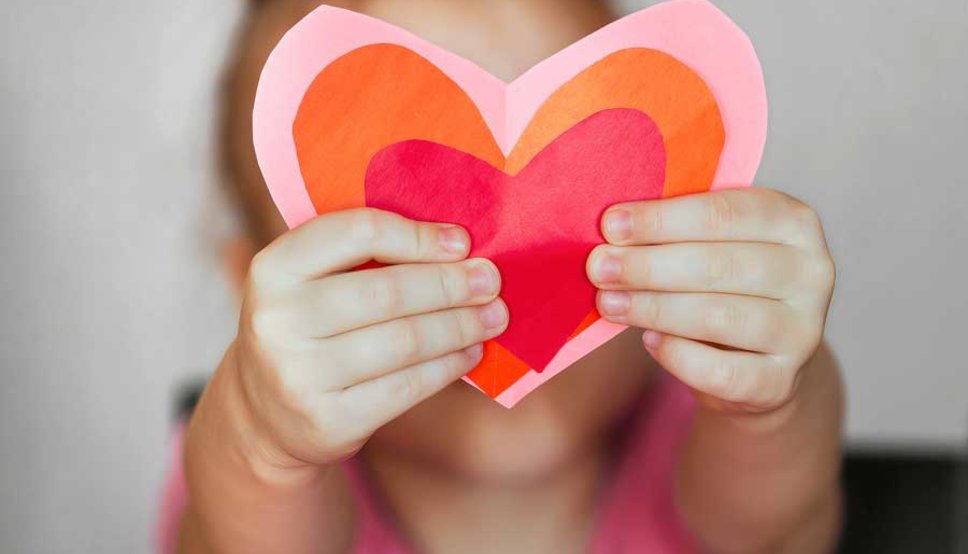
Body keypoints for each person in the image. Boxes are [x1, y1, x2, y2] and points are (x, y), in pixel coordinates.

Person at [165, 0, 844, 552]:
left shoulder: (694, 438)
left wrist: (768, 396)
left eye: (573, 210)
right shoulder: (282, 485)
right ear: (253, 298)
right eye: (406, 227)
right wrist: (260, 440)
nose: (498, 285)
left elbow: (774, 524)